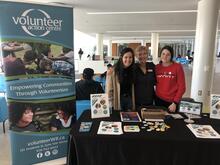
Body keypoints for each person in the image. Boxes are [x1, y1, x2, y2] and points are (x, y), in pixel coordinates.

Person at [155, 45, 186, 112]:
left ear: (171, 56)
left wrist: (175, 102)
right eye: (163, 54)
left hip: (172, 102)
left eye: (168, 54)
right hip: (158, 100)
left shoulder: (177, 67)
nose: (165, 56)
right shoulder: (157, 67)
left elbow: (182, 87)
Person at [134, 46, 156, 110]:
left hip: (150, 102)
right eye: (140, 54)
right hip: (137, 104)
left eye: (144, 53)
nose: (142, 56)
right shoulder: (134, 67)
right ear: (136, 56)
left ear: (147, 55)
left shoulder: (151, 65)